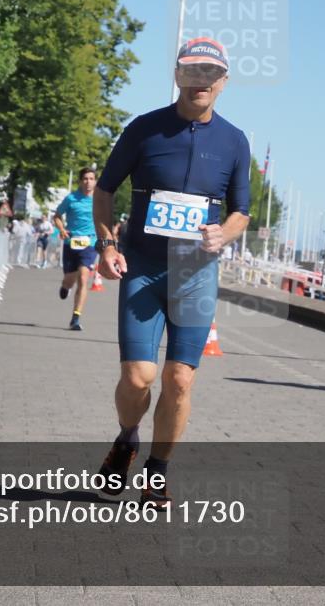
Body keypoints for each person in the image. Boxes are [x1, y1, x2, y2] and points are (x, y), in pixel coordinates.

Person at [92, 37, 250, 509]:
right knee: (138, 377)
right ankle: (127, 438)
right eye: (192, 70)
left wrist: (224, 233)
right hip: (143, 268)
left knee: (180, 379)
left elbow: (242, 212)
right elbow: (105, 190)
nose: (201, 80)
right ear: (178, 76)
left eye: (211, 73)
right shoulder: (144, 129)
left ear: (223, 82)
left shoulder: (234, 141)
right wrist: (107, 244)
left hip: (195, 275)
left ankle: (158, 471)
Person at [53, 168, 99, 331]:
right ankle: (66, 286)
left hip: (90, 243)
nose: (88, 182)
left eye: (91, 179)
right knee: (69, 279)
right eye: (85, 179)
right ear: (80, 181)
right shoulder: (71, 198)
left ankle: (76, 318)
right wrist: (61, 229)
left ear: (95, 181)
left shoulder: (99, 199)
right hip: (71, 242)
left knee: (84, 277)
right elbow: (57, 216)